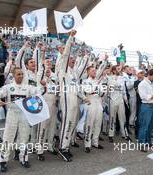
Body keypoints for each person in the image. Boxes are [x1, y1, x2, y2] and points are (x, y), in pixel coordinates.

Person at [0, 67, 43, 172]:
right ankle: (3, 161)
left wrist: (42, 86)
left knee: (24, 138)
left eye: (22, 74)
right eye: (18, 74)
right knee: (7, 138)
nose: (21, 76)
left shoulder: (28, 87)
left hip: (24, 116)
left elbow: (39, 91)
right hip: (12, 115)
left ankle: (24, 158)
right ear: (13, 75)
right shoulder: (8, 87)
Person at [57, 30, 89, 162]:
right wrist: (71, 38)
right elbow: (65, 54)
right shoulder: (62, 70)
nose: (71, 59)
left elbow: (77, 87)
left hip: (75, 98)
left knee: (72, 123)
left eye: (72, 59)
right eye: (70, 58)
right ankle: (62, 148)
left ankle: (66, 145)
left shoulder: (73, 73)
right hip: (67, 98)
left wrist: (83, 97)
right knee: (67, 122)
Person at [138, 69, 153, 152]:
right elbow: (143, 96)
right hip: (147, 106)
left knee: (151, 126)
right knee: (144, 126)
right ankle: (141, 144)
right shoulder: (142, 84)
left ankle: (148, 142)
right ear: (149, 75)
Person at [82, 66, 105, 153]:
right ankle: (87, 144)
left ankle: (95, 142)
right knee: (89, 124)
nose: (95, 72)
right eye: (92, 71)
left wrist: (101, 91)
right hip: (90, 103)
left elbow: (102, 93)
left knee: (98, 124)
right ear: (88, 72)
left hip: (98, 103)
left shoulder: (98, 81)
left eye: (95, 70)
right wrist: (97, 84)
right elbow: (89, 91)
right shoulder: (85, 81)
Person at [108, 65, 128, 142]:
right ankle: (110, 135)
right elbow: (112, 86)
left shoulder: (122, 78)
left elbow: (123, 90)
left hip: (120, 100)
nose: (119, 70)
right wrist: (116, 79)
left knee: (122, 117)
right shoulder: (110, 78)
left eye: (119, 69)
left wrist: (125, 99)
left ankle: (124, 134)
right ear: (113, 70)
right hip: (112, 100)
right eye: (117, 69)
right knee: (112, 118)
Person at [134, 70, 145, 139]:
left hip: (146, 102)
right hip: (140, 102)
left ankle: (144, 133)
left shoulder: (146, 82)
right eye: (140, 73)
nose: (142, 74)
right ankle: (137, 133)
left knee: (145, 119)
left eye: (142, 73)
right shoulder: (136, 82)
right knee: (139, 119)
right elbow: (138, 92)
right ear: (137, 75)